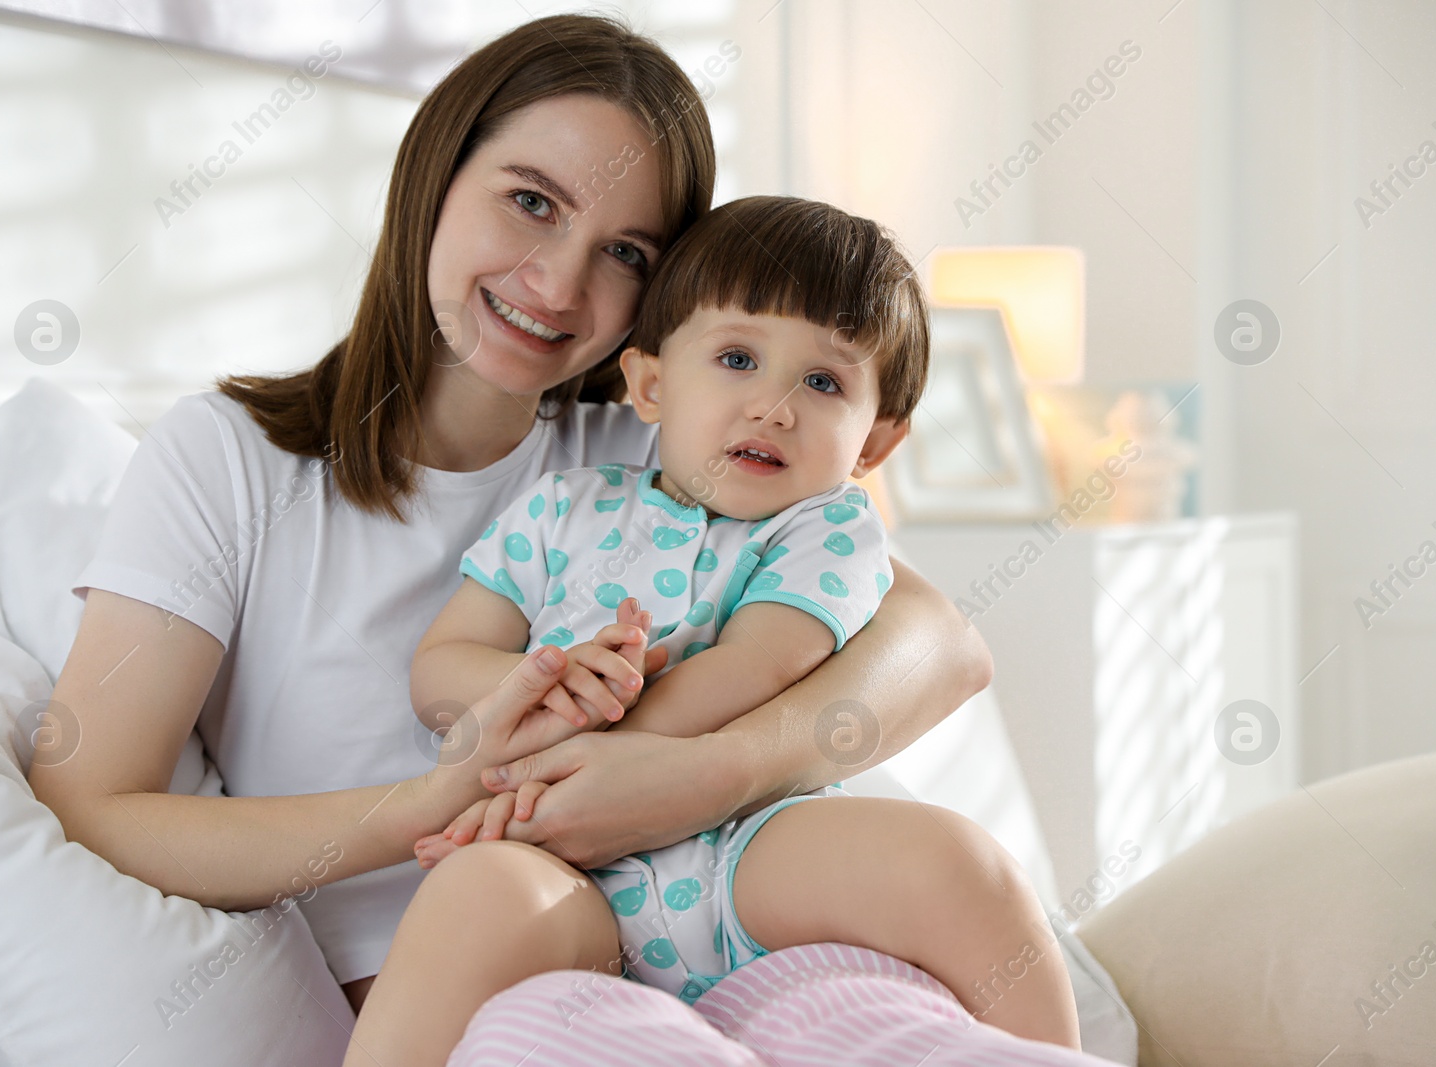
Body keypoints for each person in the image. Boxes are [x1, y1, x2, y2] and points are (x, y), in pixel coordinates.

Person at [28, 14, 993, 1065]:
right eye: (531, 202)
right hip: (448, 997)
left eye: (625, 252)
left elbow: (938, 646)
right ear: (434, 174)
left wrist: (703, 773)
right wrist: (433, 805)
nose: (559, 284)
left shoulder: (659, 445)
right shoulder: (230, 462)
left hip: (706, 950)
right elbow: (94, 804)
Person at [361, 197, 1084, 1066]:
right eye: (738, 358)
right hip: (566, 868)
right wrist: (550, 685)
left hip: (752, 846)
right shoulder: (561, 508)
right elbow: (440, 668)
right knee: (472, 894)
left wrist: (600, 757)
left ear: (874, 444)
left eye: (823, 382)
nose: (774, 407)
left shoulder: (828, 529)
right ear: (651, 384)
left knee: (957, 863)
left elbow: (761, 662)